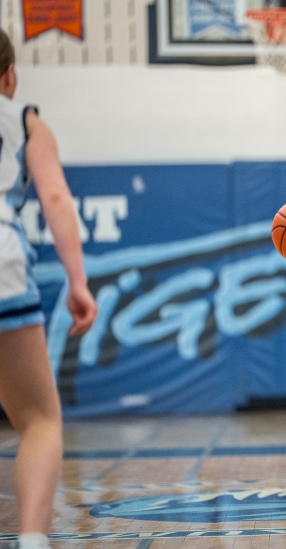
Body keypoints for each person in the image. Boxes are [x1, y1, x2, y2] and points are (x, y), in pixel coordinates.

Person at [0, 30, 98, 549]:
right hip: (3, 261)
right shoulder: (24, 121)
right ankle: (32, 540)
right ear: (10, 75)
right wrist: (77, 282)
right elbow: (55, 196)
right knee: (39, 420)